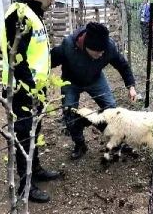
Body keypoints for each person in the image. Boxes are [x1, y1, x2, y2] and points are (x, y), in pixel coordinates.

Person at [1, 0, 62, 203]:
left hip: (35, 89)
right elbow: (15, 56)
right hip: (21, 90)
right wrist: (30, 89)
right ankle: (25, 186)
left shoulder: (32, 12)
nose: (53, 1)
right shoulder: (19, 14)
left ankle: (34, 170)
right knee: (24, 135)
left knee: (34, 132)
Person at [50, 22, 137, 160]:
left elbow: (122, 65)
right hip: (71, 81)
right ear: (86, 46)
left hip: (95, 79)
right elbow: (49, 60)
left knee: (112, 109)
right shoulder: (68, 46)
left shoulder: (109, 47)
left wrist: (131, 86)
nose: (101, 55)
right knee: (69, 113)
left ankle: (119, 140)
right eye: (98, 52)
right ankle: (80, 144)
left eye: (103, 52)